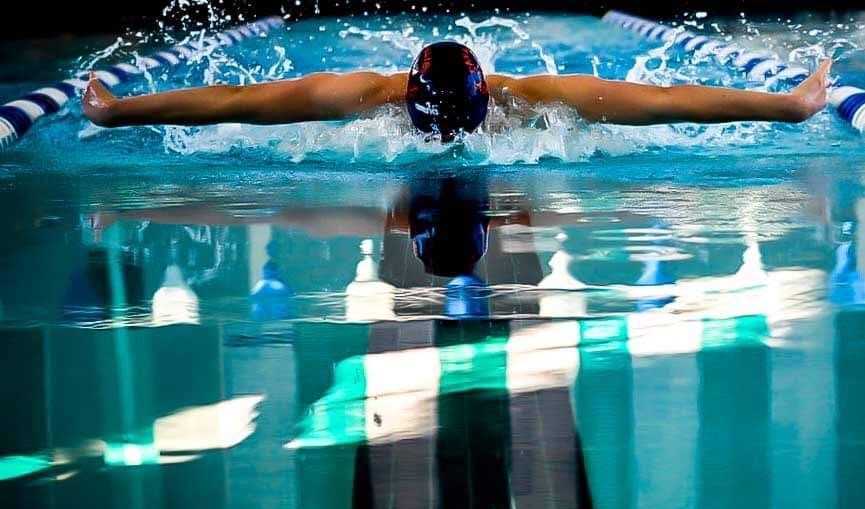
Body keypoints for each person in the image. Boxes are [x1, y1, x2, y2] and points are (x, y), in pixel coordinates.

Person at [82, 41, 833, 141]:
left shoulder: (535, 97)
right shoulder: (358, 95)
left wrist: (790, 105)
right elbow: (231, 103)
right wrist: (115, 114)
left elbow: (668, 102)